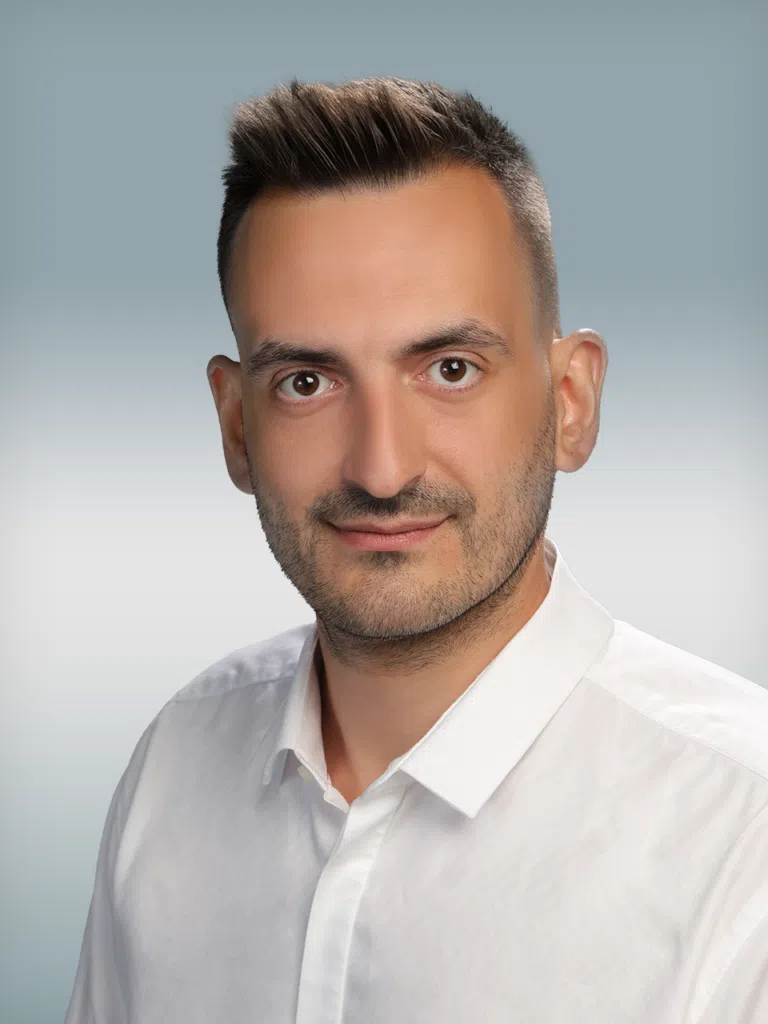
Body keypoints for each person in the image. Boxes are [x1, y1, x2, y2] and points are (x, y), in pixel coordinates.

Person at [65, 76, 768, 1023]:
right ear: (236, 429)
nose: (382, 468)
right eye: (307, 382)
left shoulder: (741, 837)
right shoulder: (174, 766)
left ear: (570, 403)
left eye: (449, 369)